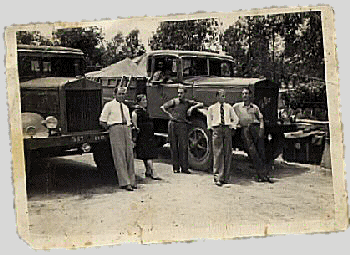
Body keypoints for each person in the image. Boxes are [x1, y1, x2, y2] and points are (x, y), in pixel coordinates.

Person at [233, 88, 274, 183]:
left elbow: (261, 118)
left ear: (250, 96)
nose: (244, 95)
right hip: (245, 129)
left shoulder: (254, 107)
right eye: (243, 94)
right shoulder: (237, 106)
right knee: (252, 152)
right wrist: (235, 125)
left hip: (255, 129)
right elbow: (231, 116)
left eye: (246, 94)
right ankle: (261, 174)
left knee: (261, 151)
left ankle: (265, 175)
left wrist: (261, 129)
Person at [99, 86, 136, 191]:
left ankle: (132, 181)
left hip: (126, 129)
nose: (121, 96)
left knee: (129, 155)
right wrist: (112, 129)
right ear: (114, 95)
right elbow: (102, 121)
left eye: (123, 94)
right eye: (119, 94)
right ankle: (125, 182)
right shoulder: (109, 105)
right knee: (119, 156)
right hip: (115, 129)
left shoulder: (125, 107)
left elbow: (128, 121)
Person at [161, 85, 203, 174]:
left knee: (183, 147)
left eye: (181, 93)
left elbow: (201, 103)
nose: (179, 95)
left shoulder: (187, 103)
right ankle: (176, 168)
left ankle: (184, 168)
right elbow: (163, 107)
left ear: (185, 94)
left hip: (182, 125)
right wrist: (170, 115)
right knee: (174, 147)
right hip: (173, 124)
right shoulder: (174, 101)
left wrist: (192, 108)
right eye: (178, 93)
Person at [208, 89, 238, 186]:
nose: (223, 98)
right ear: (217, 97)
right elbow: (209, 120)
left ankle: (225, 177)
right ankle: (217, 177)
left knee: (227, 153)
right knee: (218, 153)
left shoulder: (228, 107)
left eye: (224, 96)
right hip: (217, 130)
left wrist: (232, 126)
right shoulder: (212, 108)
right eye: (221, 96)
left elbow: (236, 119)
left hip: (226, 130)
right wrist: (213, 128)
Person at [131, 94, 160, 180]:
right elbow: (135, 126)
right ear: (139, 102)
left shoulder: (144, 110)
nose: (145, 102)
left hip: (148, 134)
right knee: (148, 155)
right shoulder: (135, 112)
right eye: (143, 100)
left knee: (146, 155)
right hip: (143, 136)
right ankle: (153, 172)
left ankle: (148, 171)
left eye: (146, 100)